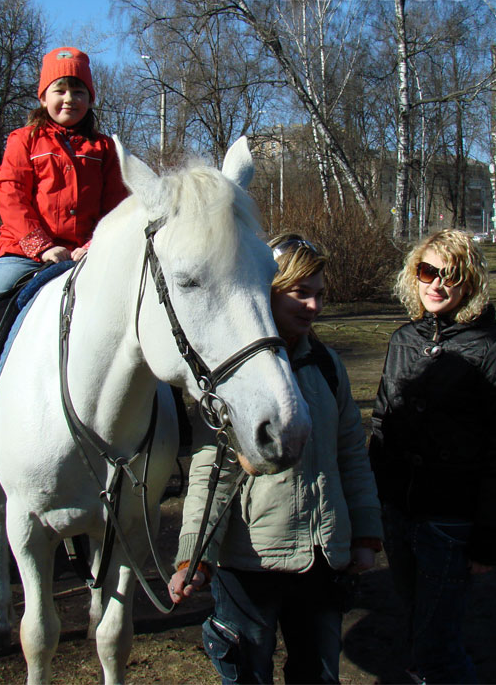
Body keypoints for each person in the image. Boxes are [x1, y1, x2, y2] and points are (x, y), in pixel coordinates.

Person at [169, 233, 383, 684]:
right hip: (252, 563)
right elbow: (211, 473)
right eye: (300, 293)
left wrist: (364, 532)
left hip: (324, 559)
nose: (314, 306)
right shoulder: (229, 377)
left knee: (319, 676)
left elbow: (351, 456)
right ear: (267, 292)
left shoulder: (328, 366)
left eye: (320, 295)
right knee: (248, 675)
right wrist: (195, 557)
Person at [0, 47, 128, 461]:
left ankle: (167, 415)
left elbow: (115, 204)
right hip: (24, 251)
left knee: (138, 310)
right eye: (61, 88)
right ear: (43, 96)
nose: (70, 98)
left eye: (80, 90)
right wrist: (42, 246)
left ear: (91, 99)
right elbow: (11, 196)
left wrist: (92, 245)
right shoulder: (25, 140)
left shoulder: (104, 148)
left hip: (86, 253)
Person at [368, 229, 496, 684]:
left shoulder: (491, 350)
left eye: (449, 275)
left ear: (469, 283)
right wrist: (371, 503)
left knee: (438, 643)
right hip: (398, 512)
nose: (436, 284)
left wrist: (487, 533)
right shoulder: (403, 340)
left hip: (449, 520)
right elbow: (382, 423)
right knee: (416, 623)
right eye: (427, 271)